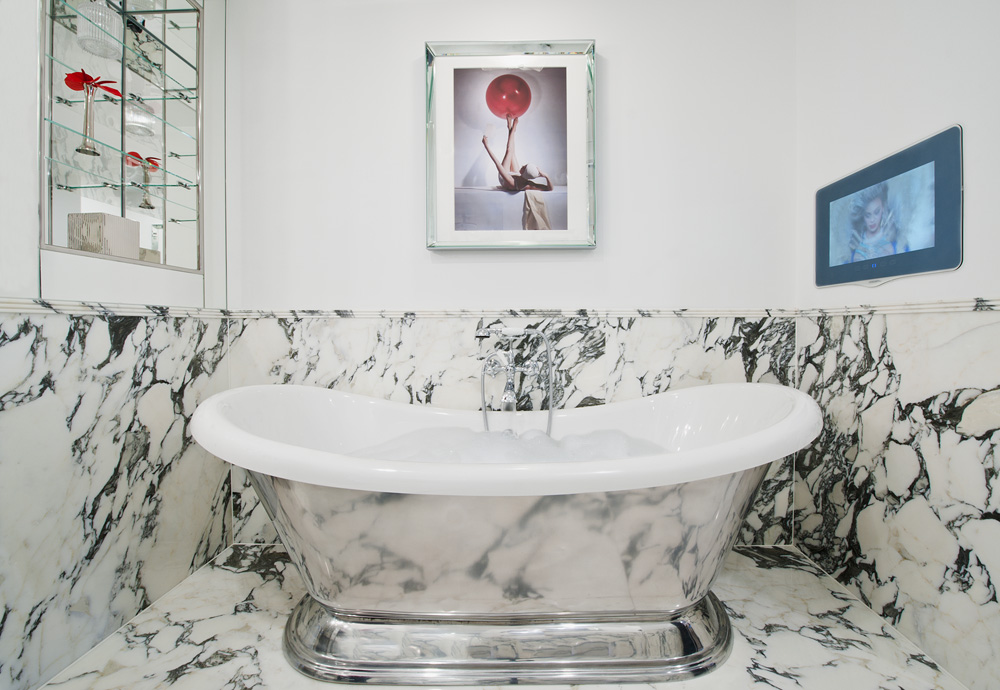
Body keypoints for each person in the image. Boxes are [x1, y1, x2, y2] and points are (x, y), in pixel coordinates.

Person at [481, 114, 553, 192]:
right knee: (512, 152)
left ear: (524, 172)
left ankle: (512, 129)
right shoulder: (528, 183)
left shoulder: (512, 183)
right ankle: (511, 129)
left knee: (509, 151)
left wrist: (486, 146)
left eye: (524, 167)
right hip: (516, 175)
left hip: (504, 177)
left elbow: (497, 164)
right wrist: (546, 176)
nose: (522, 165)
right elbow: (549, 188)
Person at [849, 181, 904, 262]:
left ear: (883, 208)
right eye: (868, 215)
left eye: (876, 212)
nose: (872, 220)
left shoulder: (896, 241)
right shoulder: (855, 244)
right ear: (863, 215)